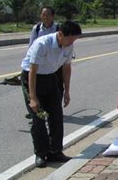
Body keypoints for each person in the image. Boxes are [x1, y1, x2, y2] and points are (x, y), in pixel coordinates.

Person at [21, 20, 82, 168]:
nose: (72, 42)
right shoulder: (42, 44)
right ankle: (41, 154)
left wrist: (67, 91)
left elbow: (67, 68)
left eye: (75, 39)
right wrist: (33, 98)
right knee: (39, 117)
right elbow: (33, 71)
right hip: (32, 79)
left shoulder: (68, 44)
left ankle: (55, 151)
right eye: (70, 39)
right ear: (60, 34)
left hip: (50, 77)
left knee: (56, 115)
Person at [23, 6, 62, 120]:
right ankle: (35, 112)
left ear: (52, 16)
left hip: (54, 64)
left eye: (47, 15)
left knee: (57, 87)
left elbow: (65, 44)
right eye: (43, 14)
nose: (44, 17)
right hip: (39, 63)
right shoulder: (37, 28)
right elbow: (31, 45)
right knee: (35, 88)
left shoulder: (58, 28)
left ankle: (54, 109)